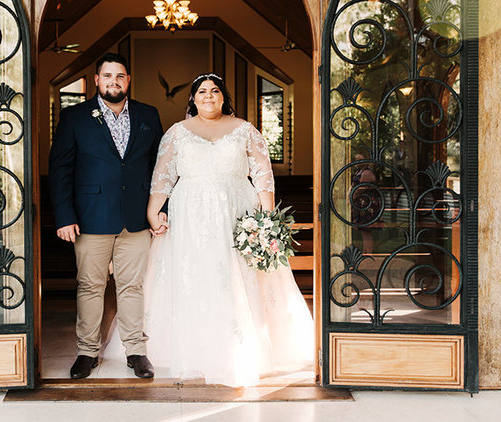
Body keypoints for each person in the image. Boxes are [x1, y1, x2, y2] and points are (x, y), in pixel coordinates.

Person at [140, 72, 314, 387]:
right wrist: (154, 211)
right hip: (189, 215)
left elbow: (263, 175)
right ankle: (194, 350)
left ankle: (244, 350)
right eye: (202, 91)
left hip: (238, 212)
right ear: (192, 98)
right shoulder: (177, 133)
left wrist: (267, 219)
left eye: (215, 90)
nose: (209, 96)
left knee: (238, 277)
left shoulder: (245, 130)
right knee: (195, 277)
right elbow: (162, 175)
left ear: (224, 97)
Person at [48, 52, 164, 379]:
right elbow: (60, 171)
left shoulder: (148, 115)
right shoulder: (75, 117)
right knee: (90, 286)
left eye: (120, 76)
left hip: (137, 219)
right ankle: (87, 351)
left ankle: (136, 351)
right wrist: (64, 217)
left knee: (133, 287)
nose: (114, 81)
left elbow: (162, 169)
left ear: (128, 80)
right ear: (97, 80)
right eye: (107, 76)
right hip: (89, 218)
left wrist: (160, 211)